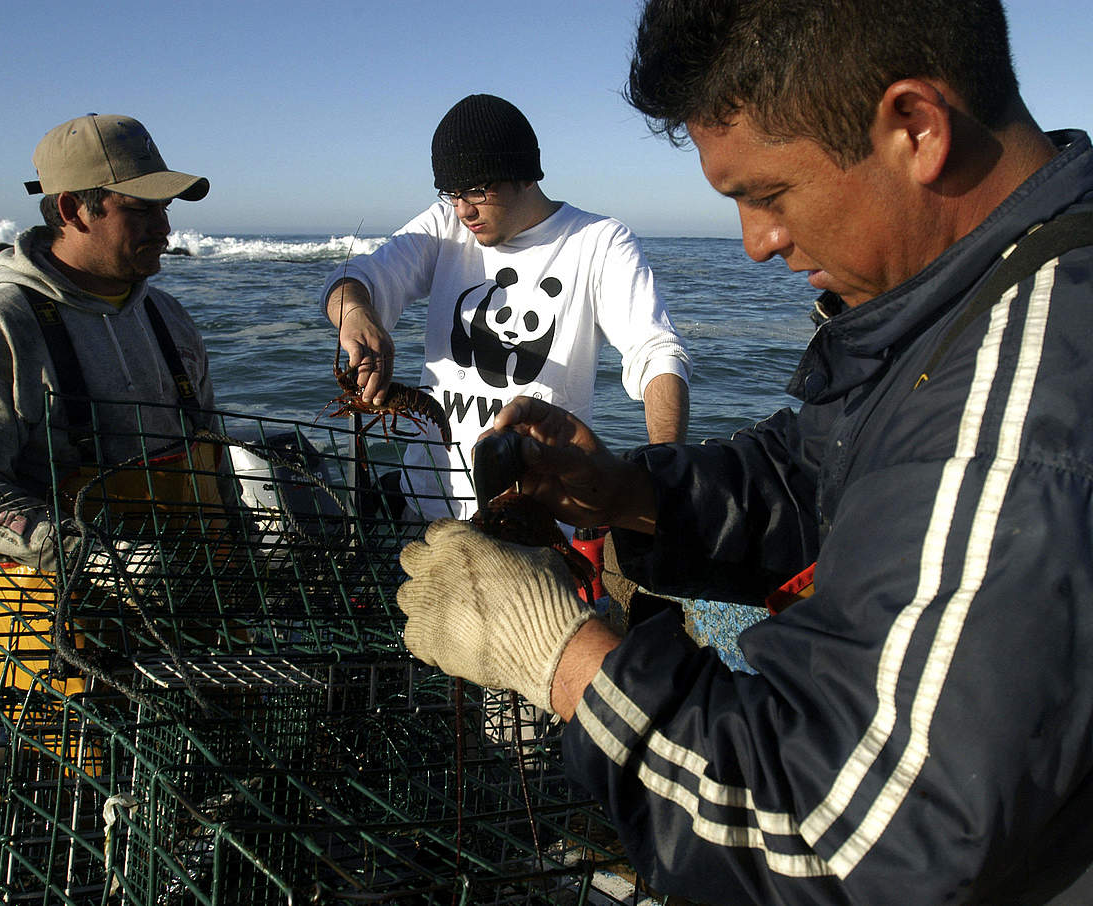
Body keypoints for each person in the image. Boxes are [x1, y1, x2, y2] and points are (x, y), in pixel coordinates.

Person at [396, 1, 1093, 903]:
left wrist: (559, 657)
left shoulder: (1030, 401)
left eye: (768, 195)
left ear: (915, 128)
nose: (756, 245)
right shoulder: (961, 302)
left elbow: (833, 838)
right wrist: (630, 494)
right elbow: (821, 477)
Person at [0, 114, 214, 704]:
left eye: (166, 208)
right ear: (73, 210)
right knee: (86, 777)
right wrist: (86, 553)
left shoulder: (171, 319)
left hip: (194, 611)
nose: (164, 226)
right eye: (141, 209)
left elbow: (212, 456)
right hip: (66, 629)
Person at [321, 93, 691, 519]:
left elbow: (657, 354)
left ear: (526, 176)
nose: (463, 210)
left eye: (477, 190)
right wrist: (357, 314)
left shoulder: (598, 242)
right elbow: (353, 279)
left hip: (533, 521)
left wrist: (664, 476)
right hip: (426, 508)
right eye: (451, 193)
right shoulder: (443, 227)